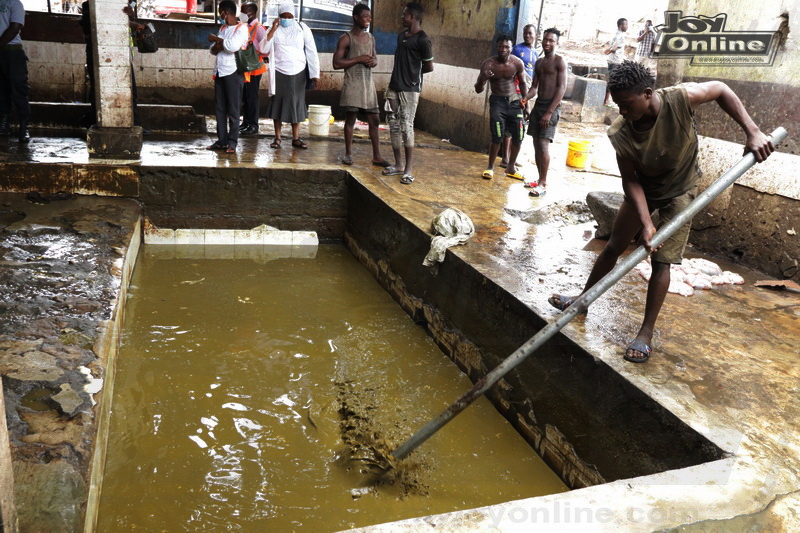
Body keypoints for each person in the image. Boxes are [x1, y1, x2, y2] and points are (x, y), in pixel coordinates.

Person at [548, 60, 774, 363]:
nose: (622, 112)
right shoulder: (621, 131)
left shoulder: (680, 99)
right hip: (643, 186)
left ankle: (645, 334)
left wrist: (753, 131)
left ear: (647, 94)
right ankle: (583, 300)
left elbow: (721, 89)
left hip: (680, 190)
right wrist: (645, 223)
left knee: (661, 262)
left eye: (626, 104)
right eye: (617, 105)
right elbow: (629, 180)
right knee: (613, 246)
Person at [381, 2, 433, 185]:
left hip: (410, 89)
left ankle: (409, 170)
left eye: (404, 15)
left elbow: (428, 66)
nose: (402, 17)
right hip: (394, 86)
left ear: (413, 17)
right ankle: (398, 165)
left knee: (406, 126)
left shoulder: (423, 39)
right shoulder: (401, 36)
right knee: (393, 125)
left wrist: (411, 76)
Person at [332, 4, 389, 167]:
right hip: (353, 84)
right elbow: (336, 63)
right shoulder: (346, 38)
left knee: (375, 120)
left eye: (370, 17)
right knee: (351, 119)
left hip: (367, 85)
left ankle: (377, 156)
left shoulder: (371, 38)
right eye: (365, 16)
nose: (368, 20)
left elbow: (374, 59)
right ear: (356, 17)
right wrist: (358, 59)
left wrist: (373, 61)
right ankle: (348, 154)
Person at [260, 1, 320, 150]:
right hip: (279, 71)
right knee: (278, 104)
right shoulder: (273, 29)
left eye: (289, 16)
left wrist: (314, 74)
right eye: (283, 16)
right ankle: (278, 137)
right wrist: (272, 30)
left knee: (296, 103)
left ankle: (296, 138)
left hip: (298, 71)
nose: (286, 19)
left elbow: (311, 51)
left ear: (293, 16)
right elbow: (262, 48)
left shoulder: (302, 28)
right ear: (279, 16)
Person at [520, 28, 566, 197]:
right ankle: (539, 179)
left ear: (557, 43)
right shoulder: (539, 62)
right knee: (535, 144)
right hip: (538, 105)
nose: (547, 43)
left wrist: (549, 112)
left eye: (551, 40)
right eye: (545, 40)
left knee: (543, 145)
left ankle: (543, 183)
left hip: (551, 107)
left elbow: (561, 88)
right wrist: (525, 99)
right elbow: (534, 88)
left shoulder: (560, 62)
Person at [474, 35, 527, 181]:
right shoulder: (488, 64)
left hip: (514, 101)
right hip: (498, 101)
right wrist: (483, 78)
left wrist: (525, 101)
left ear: (511, 48)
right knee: (497, 135)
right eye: (501, 47)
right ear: (497, 47)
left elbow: (522, 83)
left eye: (507, 47)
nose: (503, 50)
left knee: (519, 135)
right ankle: (490, 167)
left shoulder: (517, 63)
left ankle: (511, 167)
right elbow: (478, 89)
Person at [206, 0, 248, 153]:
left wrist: (217, 40)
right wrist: (219, 43)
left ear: (226, 12)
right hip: (220, 72)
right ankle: (222, 140)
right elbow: (213, 50)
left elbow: (232, 47)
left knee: (233, 109)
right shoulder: (223, 28)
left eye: (220, 11)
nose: (220, 15)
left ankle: (232, 142)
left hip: (233, 72)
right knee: (220, 109)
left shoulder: (242, 28)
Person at [497, 24, 538, 169]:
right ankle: (505, 158)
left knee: (519, 125)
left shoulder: (536, 53)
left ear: (535, 34)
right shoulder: (517, 49)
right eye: (525, 33)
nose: (527, 35)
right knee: (510, 124)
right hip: (516, 90)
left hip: (527, 90)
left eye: (530, 33)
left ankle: (512, 159)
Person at [0, 0, 30, 143]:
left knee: (19, 87)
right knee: (1, 89)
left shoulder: (15, 3)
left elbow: (15, 27)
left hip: (13, 52)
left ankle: (24, 126)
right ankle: (4, 124)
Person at [238, 1, 267, 137]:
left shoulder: (259, 28)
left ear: (251, 12)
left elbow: (267, 50)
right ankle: (246, 123)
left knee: (252, 97)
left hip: (254, 69)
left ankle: (253, 125)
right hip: (245, 68)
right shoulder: (245, 26)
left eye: (244, 11)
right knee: (245, 97)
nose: (242, 14)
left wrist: (254, 52)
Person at [603, 17, 627, 107]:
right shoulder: (621, 36)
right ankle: (606, 101)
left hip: (612, 60)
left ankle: (607, 100)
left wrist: (607, 51)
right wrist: (610, 51)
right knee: (613, 81)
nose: (627, 26)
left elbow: (612, 47)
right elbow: (614, 48)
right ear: (621, 26)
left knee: (612, 80)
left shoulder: (615, 34)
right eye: (626, 24)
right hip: (615, 61)